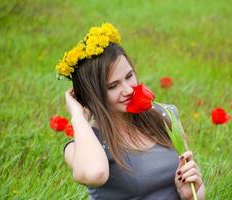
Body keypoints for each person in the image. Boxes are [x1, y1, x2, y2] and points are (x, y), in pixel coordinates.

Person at [58, 23, 205, 200]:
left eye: (129, 76)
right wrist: (77, 116)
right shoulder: (80, 148)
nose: (128, 89)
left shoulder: (165, 116)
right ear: (92, 95)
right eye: (113, 86)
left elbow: (195, 191)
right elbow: (95, 174)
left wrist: (189, 194)